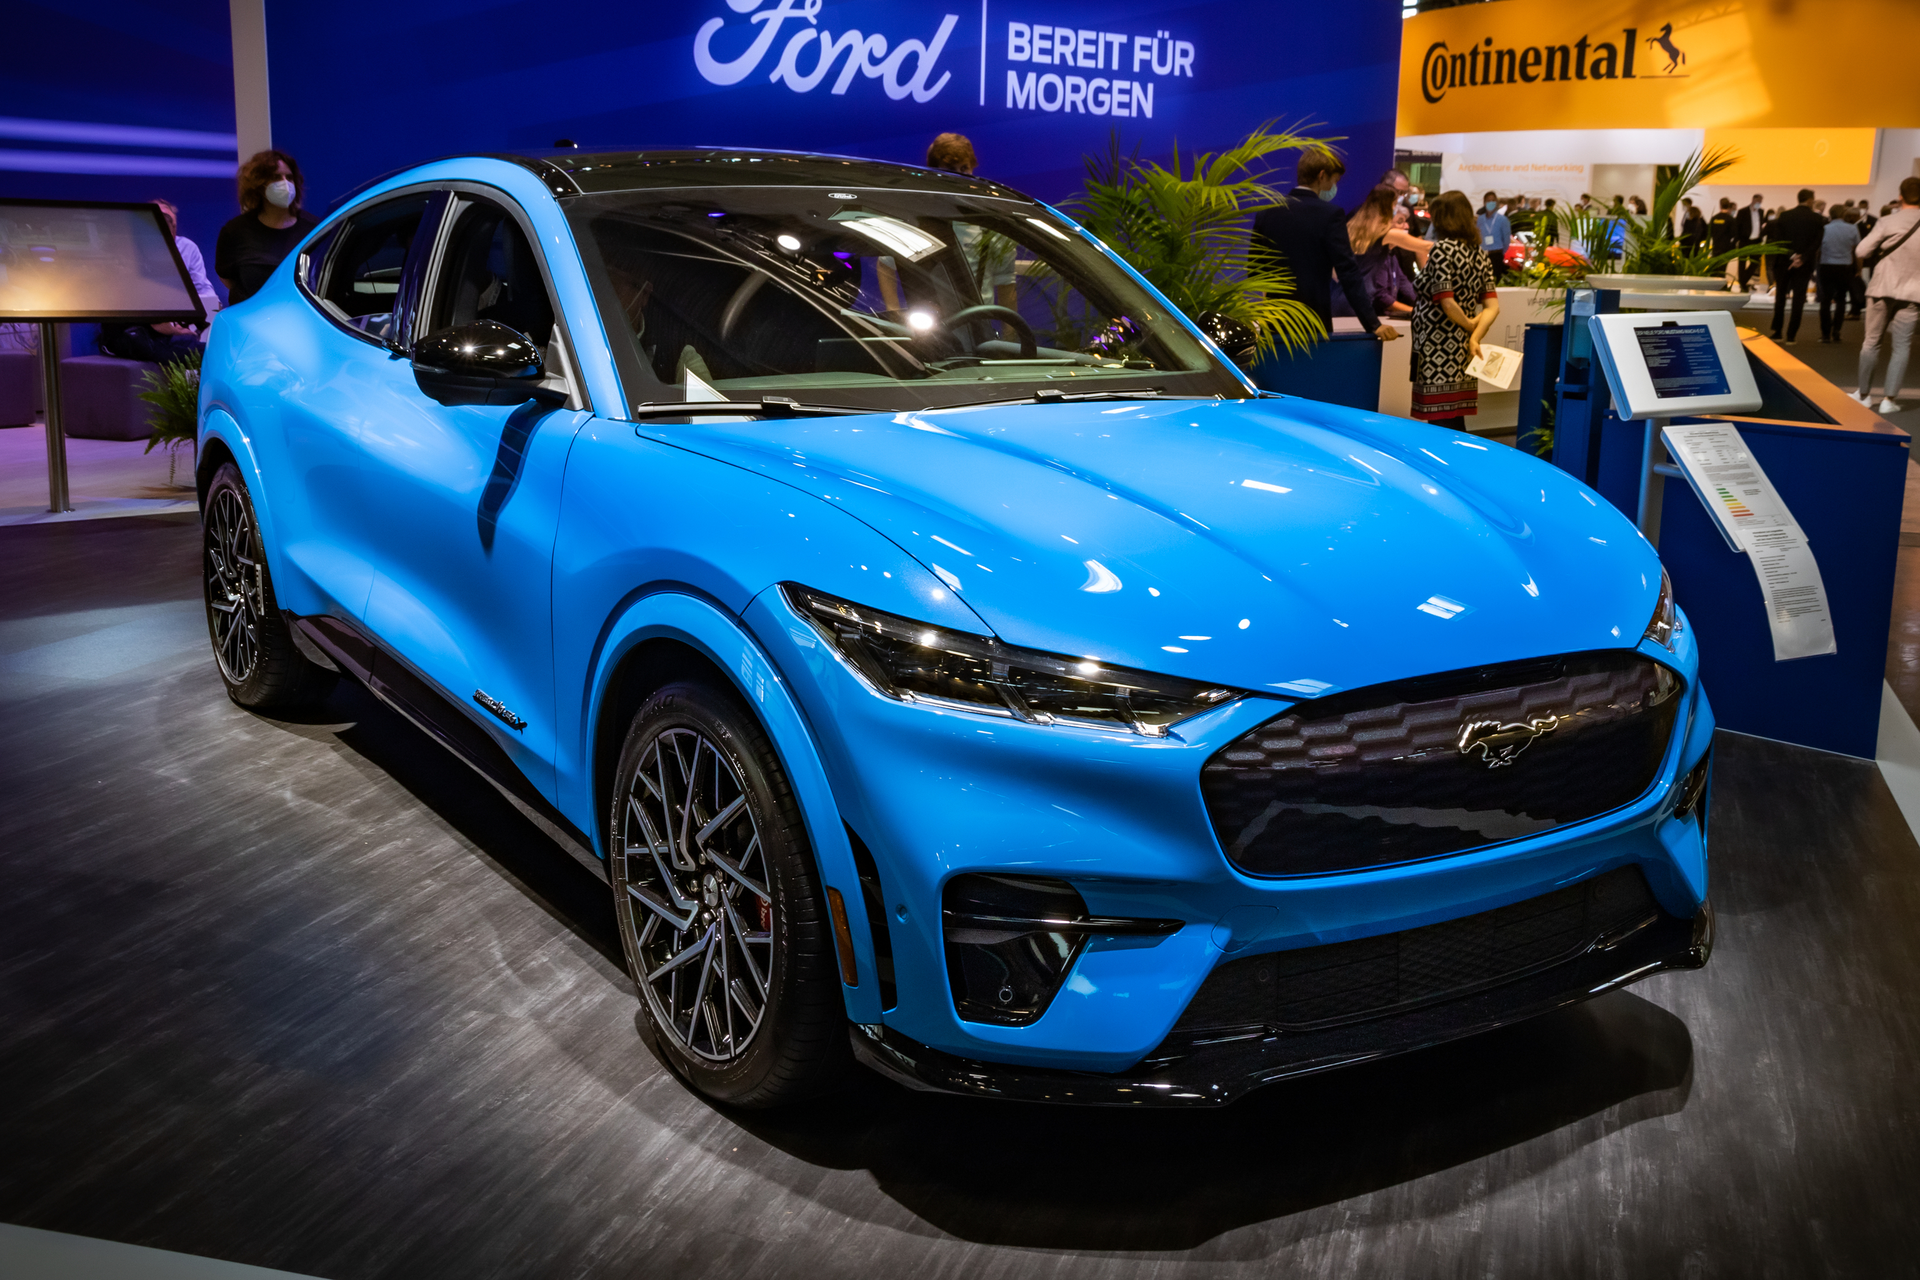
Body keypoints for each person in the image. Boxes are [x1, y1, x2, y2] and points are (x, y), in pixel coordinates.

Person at [1250, 149, 1398, 345]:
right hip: (1313, 321)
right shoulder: (1330, 214)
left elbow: (1254, 269)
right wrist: (1372, 323)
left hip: (1274, 320)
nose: (1333, 187)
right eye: (1334, 181)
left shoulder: (1266, 213)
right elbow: (1348, 272)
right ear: (1322, 175)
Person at [1410, 191, 1499, 431]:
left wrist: (1470, 325)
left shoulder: (1441, 250)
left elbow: (1446, 301)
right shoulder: (1479, 253)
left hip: (1436, 345)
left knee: (1439, 419)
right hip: (1463, 347)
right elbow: (1493, 306)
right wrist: (1474, 335)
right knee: (1456, 414)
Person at [215, 149, 319, 305]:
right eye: (276, 177)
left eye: (289, 177)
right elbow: (226, 277)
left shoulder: (313, 229)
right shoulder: (235, 231)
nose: (285, 184)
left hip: (298, 315)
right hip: (250, 316)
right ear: (258, 184)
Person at [924, 133, 1016, 310]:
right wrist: (893, 311)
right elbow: (886, 264)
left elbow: (1007, 283)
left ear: (972, 167)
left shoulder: (989, 220)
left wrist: (1011, 336)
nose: (959, 176)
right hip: (930, 328)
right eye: (951, 169)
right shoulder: (920, 213)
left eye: (964, 168)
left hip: (979, 327)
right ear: (934, 171)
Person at [1854, 177, 1920, 414]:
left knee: (1871, 342)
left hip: (1882, 287)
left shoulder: (1887, 220)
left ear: (1900, 196)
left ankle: (1863, 395)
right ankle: (1889, 400)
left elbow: (1862, 250)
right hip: (1914, 293)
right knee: (1902, 346)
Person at [1333, 184, 1429, 320]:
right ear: (1389, 206)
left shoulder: (1350, 229)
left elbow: (1334, 272)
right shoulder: (1386, 234)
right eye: (1395, 204)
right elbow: (1425, 247)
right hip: (1360, 302)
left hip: (1338, 299)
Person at [1767, 189, 1826, 344]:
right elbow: (1817, 242)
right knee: (1799, 299)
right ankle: (1791, 335)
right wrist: (1803, 257)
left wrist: (1792, 256)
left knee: (1781, 296)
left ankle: (1777, 332)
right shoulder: (1816, 219)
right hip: (1805, 264)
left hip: (1784, 263)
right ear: (1810, 200)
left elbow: (1778, 240)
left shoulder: (1785, 216)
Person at [1817, 207, 1861, 342]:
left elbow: (1818, 248)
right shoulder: (1852, 228)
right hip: (1845, 267)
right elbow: (1858, 249)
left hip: (1826, 265)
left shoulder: (1824, 228)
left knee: (1825, 300)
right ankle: (1836, 330)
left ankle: (1825, 334)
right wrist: (1858, 269)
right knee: (1841, 300)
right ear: (1844, 214)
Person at [1476, 190, 1512, 281]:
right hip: (1482, 255)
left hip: (1496, 254)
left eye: (1493, 201)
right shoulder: (1480, 219)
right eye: (1488, 201)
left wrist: (1500, 252)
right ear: (1484, 203)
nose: (1490, 203)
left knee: (1495, 280)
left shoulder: (1503, 220)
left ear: (1496, 202)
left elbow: (1506, 240)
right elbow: (1477, 235)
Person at [1735, 193, 1768, 290]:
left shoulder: (1761, 212)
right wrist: (1737, 240)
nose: (1759, 203)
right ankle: (1743, 285)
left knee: (1755, 262)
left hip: (1756, 241)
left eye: (1760, 202)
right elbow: (1737, 226)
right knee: (1742, 263)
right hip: (1745, 240)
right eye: (1757, 201)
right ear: (1753, 200)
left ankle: (1743, 280)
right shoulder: (1743, 211)